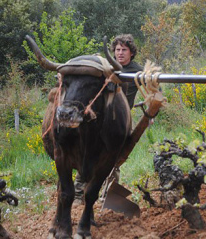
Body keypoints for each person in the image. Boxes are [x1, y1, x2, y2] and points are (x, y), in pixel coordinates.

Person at [74, 34, 143, 204]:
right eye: (117, 50)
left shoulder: (138, 71)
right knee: (87, 153)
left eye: (124, 50)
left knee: (113, 158)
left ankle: (108, 196)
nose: (120, 53)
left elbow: (154, 89)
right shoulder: (106, 67)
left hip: (120, 122)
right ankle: (78, 193)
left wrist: (150, 111)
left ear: (131, 53)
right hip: (98, 119)